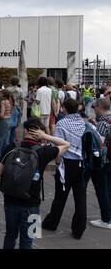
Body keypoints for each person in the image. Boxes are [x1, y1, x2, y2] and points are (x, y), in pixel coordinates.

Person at [0, 118, 70, 249]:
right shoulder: (43, 151)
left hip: (10, 200)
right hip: (33, 204)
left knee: (10, 235)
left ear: (25, 131)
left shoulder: (11, 147)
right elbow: (66, 145)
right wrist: (46, 136)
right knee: (29, 239)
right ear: (39, 133)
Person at [42, 99, 90, 239]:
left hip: (67, 163)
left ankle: (52, 223)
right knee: (80, 197)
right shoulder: (84, 123)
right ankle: (79, 229)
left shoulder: (62, 124)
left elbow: (58, 148)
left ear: (65, 109)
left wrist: (57, 165)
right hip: (81, 163)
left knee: (60, 196)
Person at [86, 98, 111, 229]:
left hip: (102, 161)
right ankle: (109, 217)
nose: (94, 109)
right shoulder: (109, 120)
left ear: (100, 107)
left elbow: (99, 144)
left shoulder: (103, 122)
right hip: (110, 159)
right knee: (109, 188)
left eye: (94, 106)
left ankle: (106, 219)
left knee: (102, 190)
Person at [7, 77, 25, 145]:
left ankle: (7, 141)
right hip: (17, 108)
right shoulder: (20, 90)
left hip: (9, 107)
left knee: (9, 125)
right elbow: (22, 101)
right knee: (15, 126)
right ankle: (12, 141)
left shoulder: (8, 89)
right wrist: (21, 110)